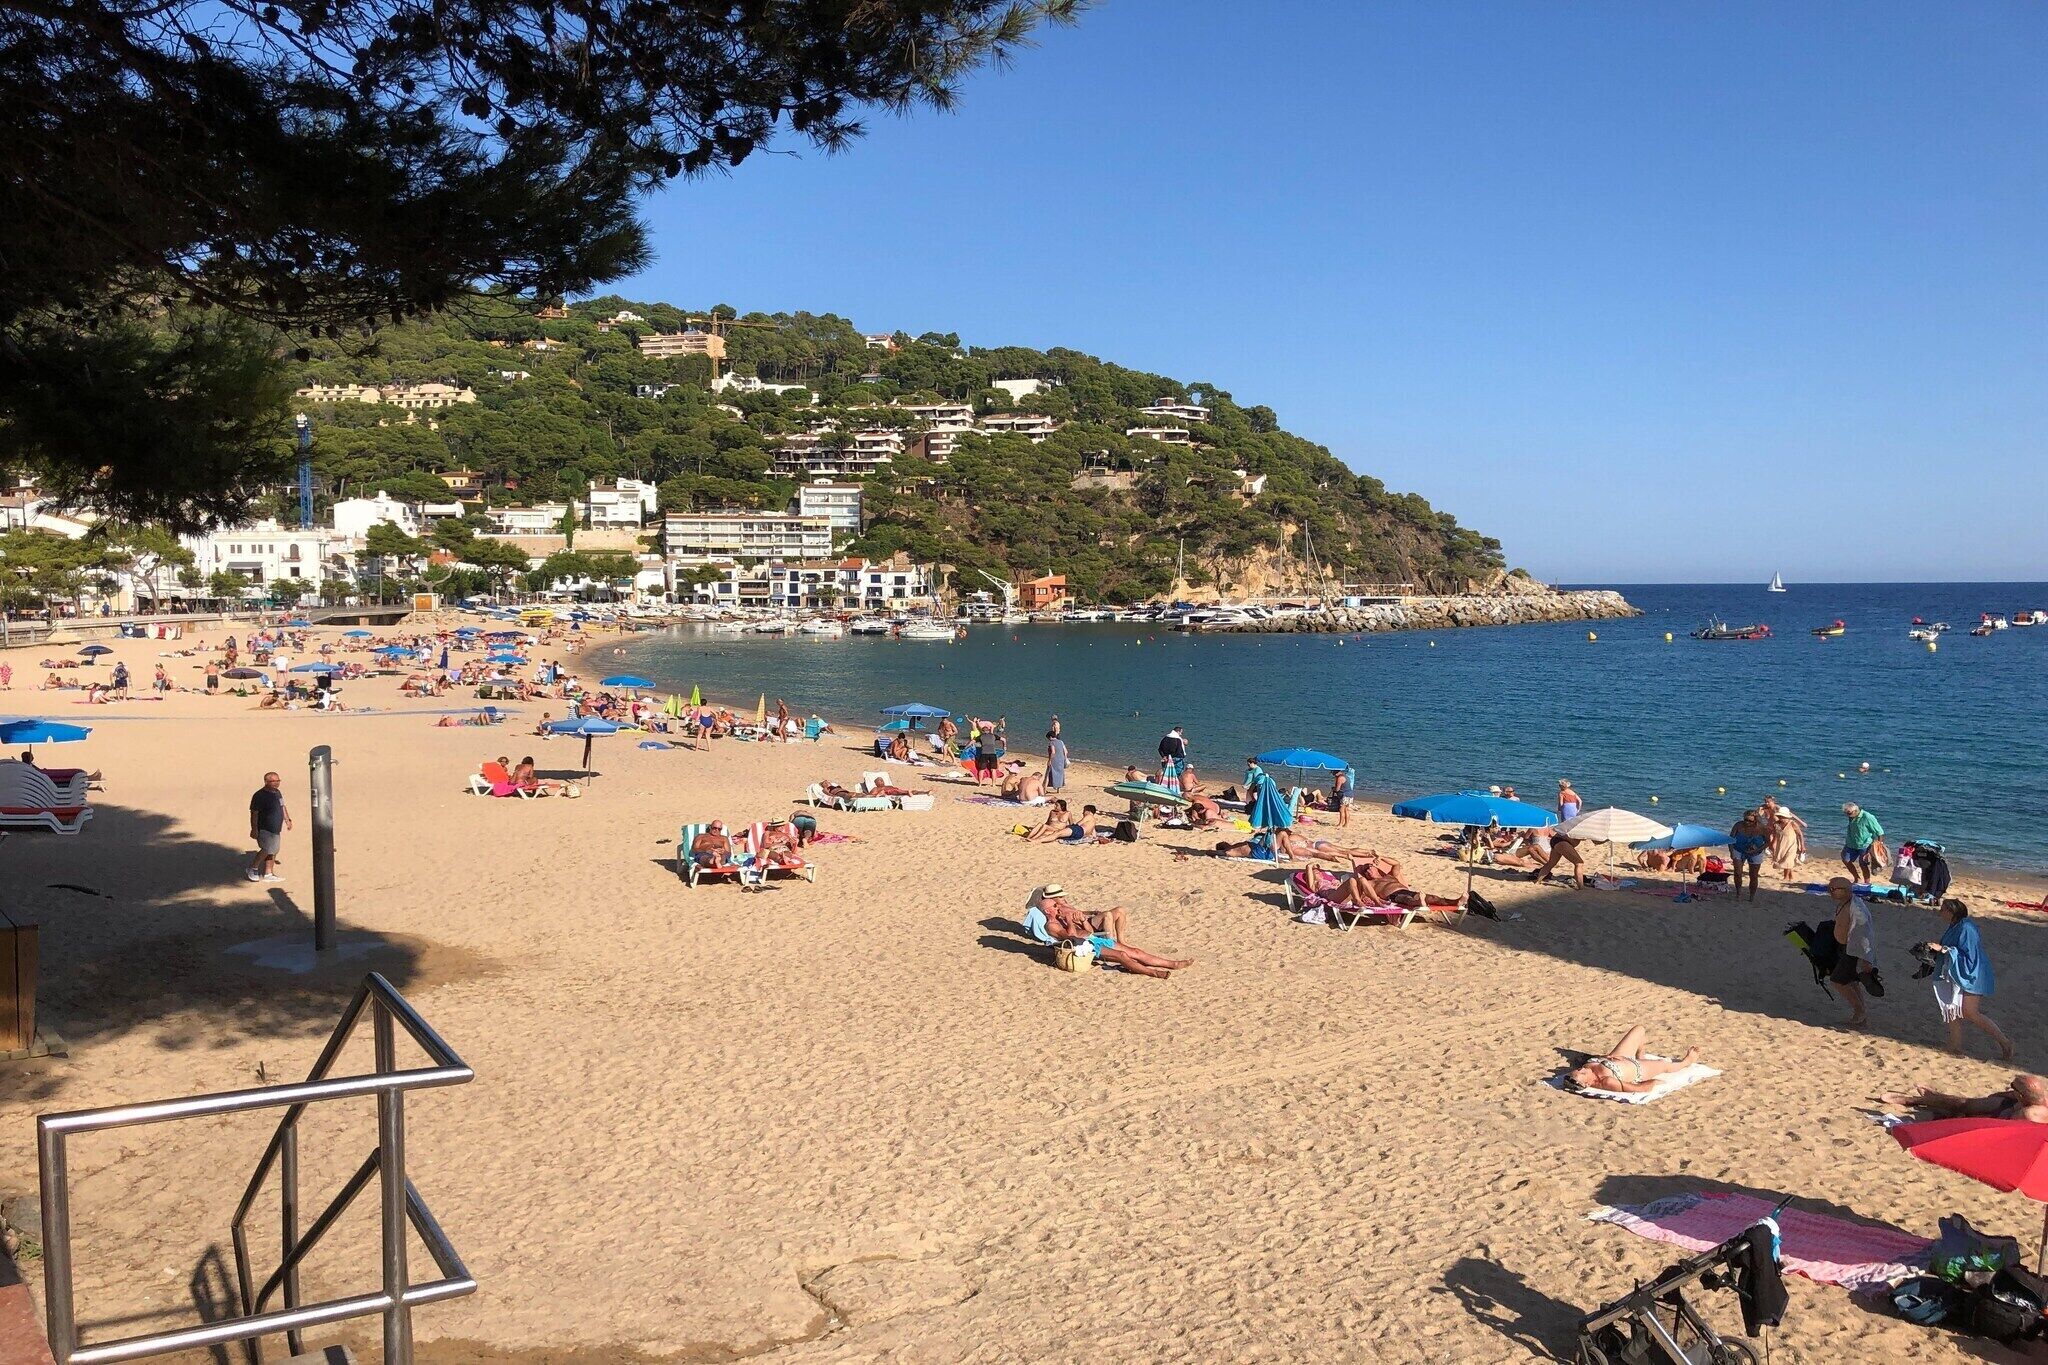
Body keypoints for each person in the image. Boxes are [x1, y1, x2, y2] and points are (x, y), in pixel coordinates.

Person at [1026, 885, 1191, 979]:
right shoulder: (1052, 925)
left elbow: (1088, 931)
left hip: (1093, 939)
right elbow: (1071, 938)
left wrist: (1083, 921)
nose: (1058, 906)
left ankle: (1172, 963)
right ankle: (1153, 972)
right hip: (1086, 947)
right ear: (1048, 912)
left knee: (1135, 951)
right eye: (1054, 906)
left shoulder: (1062, 914)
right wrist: (1069, 921)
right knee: (1122, 956)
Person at [1918, 899, 2013, 1059]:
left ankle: (2005, 1043)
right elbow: (1949, 944)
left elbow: (1969, 953)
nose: (1940, 912)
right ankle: (1954, 1046)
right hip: (1955, 973)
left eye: (1944, 909)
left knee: (1970, 1012)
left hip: (1971, 973)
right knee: (1951, 1009)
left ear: (1952, 912)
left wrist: (1943, 949)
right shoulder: (1955, 925)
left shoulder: (1966, 928)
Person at [1568, 1027, 1704, 1094]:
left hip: (1616, 1058)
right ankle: (1687, 1062)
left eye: (1579, 1069)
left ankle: (1641, 1052)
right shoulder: (1607, 1081)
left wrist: (1605, 1058)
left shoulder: (1588, 1067)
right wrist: (1653, 1082)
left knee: (1639, 1030)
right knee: (1664, 1065)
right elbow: (1637, 1088)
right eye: (1582, 1073)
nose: (1583, 1069)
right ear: (1587, 1083)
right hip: (1638, 1068)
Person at [1878, 1075, 2048, 1123]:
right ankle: (1923, 1099)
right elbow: (1995, 1097)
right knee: (1966, 1104)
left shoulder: (2030, 1114)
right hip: (2005, 1110)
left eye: (2012, 1086)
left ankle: (1917, 1100)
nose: (2009, 1087)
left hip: (1998, 1123)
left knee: (1962, 1109)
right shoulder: (2030, 1097)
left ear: (2021, 1094)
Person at [1828, 875, 1880, 1029]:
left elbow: (1864, 934)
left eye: (1833, 889)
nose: (1830, 892)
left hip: (1853, 951)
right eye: (1829, 889)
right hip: (1844, 948)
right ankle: (1861, 1015)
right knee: (1851, 982)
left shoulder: (1857, 909)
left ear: (1844, 890)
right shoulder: (1844, 903)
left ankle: (1860, 1011)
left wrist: (1866, 959)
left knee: (1838, 980)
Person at [247, 771, 291, 882]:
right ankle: (252, 868)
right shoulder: (259, 795)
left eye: (278, 781)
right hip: (264, 828)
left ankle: (268, 873)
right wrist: (254, 829)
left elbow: (282, 806)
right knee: (266, 849)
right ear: (266, 782)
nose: (276, 783)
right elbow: (254, 813)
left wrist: (287, 819)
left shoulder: (277, 792)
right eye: (273, 781)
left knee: (274, 850)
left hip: (276, 828)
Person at [1728, 809, 1769, 902]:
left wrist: (1757, 850)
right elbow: (1730, 839)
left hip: (1756, 852)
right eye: (1745, 820)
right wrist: (1731, 852)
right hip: (1739, 849)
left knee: (1753, 875)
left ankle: (1752, 896)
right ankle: (1738, 892)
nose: (1747, 822)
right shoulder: (1738, 825)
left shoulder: (1762, 828)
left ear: (1755, 820)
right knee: (1738, 872)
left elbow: (1767, 842)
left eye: (1750, 821)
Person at [1762, 796, 1807, 879]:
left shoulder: (1792, 823)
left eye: (1768, 801)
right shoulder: (1776, 824)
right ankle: (1790, 876)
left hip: (1792, 844)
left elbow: (1800, 834)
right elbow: (1775, 834)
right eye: (1780, 816)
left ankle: (1786, 877)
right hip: (1782, 843)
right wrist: (1772, 844)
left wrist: (1802, 846)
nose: (1781, 818)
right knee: (1784, 860)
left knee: (1788, 860)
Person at [1842, 802, 1883, 881]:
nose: (1848, 815)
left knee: (1863, 864)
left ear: (1856, 810)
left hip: (1865, 845)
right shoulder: (1851, 816)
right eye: (1846, 813)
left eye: (1849, 813)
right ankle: (1856, 878)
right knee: (1845, 860)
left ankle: (1866, 883)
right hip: (1851, 844)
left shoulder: (1868, 817)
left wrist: (1879, 846)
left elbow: (1880, 832)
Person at [1158, 726, 1188, 791]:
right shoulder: (1178, 739)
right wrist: (1182, 756)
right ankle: (1174, 787)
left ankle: (1165, 786)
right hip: (1176, 758)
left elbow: (1160, 749)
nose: (1181, 734)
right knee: (1177, 774)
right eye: (1181, 732)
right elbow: (1179, 751)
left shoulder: (1165, 738)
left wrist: (1164, 756)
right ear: (1178, 731)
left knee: (1166, 773)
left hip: (1165, 758)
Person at [1046, 729, 1068, 793]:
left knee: (1053, 773)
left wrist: (1049, 760)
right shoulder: (1061, 741)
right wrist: (1065, 759)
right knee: (1060, 773)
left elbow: (1053, 752)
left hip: (1055, 760)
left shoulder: (1052, 742)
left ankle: (1053, 786)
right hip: (1061, 759)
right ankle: (1059, 789)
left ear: (1050, 737)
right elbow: (1066, 751)